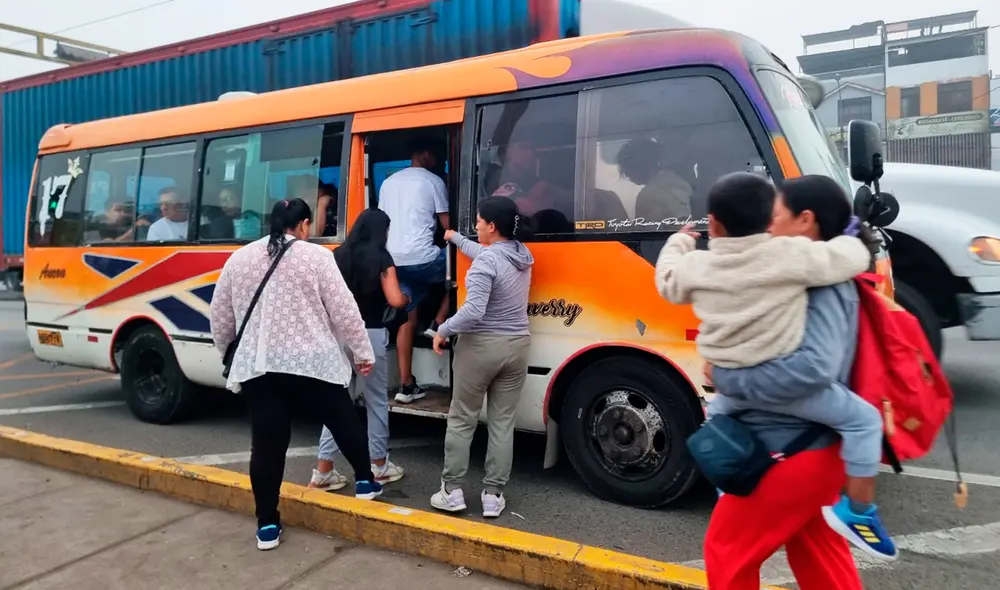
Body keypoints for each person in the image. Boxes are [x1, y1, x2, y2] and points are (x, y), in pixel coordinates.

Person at [655, 172, 895, 560]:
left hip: (730, 379)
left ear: (713, 223)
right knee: (864, 421)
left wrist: (680, 241)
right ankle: (860, 511)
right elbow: (850, 258)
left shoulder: (699, 266)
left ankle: (725, 485)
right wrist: (853, 230)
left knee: (717, 426)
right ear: (769, 220)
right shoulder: (791, 258)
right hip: (779, 388)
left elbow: (666, 279)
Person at [209, 198, 382, 552]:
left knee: (268, 445)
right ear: (304, 225)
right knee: (343, 420)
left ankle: (267, 525)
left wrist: (227, 349)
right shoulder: (317, 257)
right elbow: (344, 310)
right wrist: (363, 353)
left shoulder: (239, 259)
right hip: (313, 363)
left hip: (260, 366)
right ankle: (366, 482)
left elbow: (220, 315)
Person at [429, 196, 534, 519]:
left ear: (491, 226)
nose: (474, 226)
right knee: (502, 423)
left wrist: (442, 330)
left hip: (481, 347)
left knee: (462, 419)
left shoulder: (487, 263)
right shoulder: (521, 255)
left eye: (477, 222)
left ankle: (452, 490)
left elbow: (474, 311)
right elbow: (488, 255)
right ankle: (493, 495)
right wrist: (455, 238)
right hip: (516, 346)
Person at [309, 208, 409, 490]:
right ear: (381, 231)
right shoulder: (382, 258)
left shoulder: (337, 255)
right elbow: (394, 298)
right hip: (371, 334)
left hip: (339, 335)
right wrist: (406, 298)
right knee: (377, 400)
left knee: (337, 402)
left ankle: (324, 470)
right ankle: (379, 465)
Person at [378, 137, 451, 404]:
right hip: (424, 260)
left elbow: (384, 222)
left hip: (393, 260)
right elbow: (448, 227)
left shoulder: (388, 183)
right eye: (439, 157)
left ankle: (406, 385)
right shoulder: (433, 181)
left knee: (407, 315)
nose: (440, 162)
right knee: (461, 268)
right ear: (426, 154)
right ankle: (440, 320)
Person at [616, 136, 694, 222]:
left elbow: (647, 233)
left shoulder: (648, 195)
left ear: (638, 165)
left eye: (627, 167)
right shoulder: (679, 180)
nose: (626, 174)